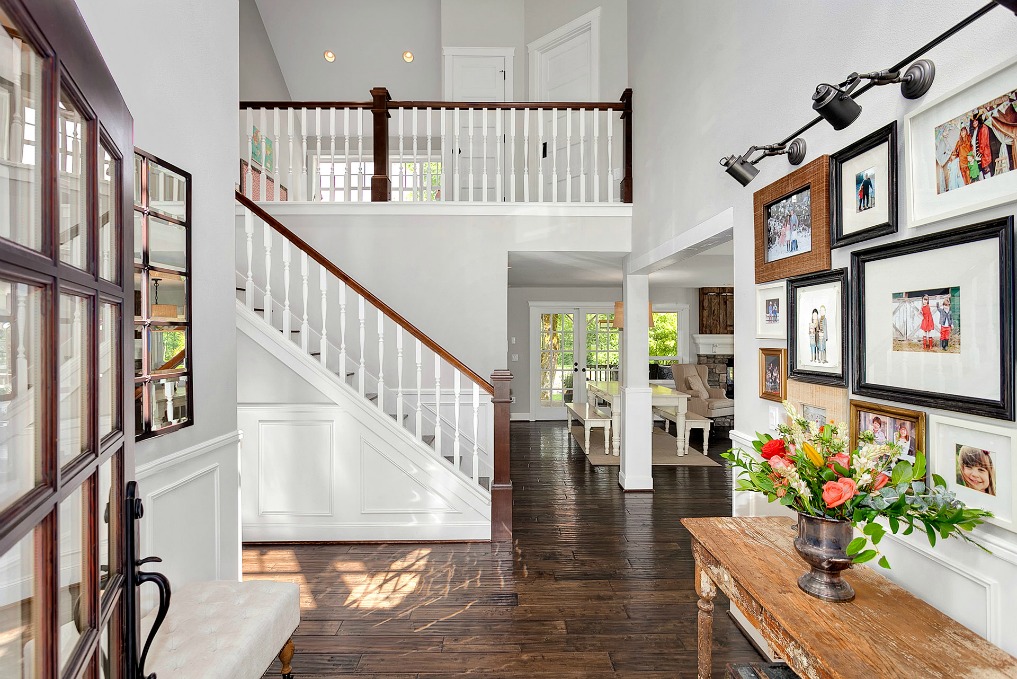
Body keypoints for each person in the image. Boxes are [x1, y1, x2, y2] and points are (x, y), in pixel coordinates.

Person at [974, 114, 994, 180]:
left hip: (983, 155)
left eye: (976, 121)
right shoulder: (977, 130)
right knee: (981, 172)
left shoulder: (983, 128)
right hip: (978, 156)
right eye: (973, 122)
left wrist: (980, 152)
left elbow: (983, 141)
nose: (974, 123)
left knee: (986, 171)